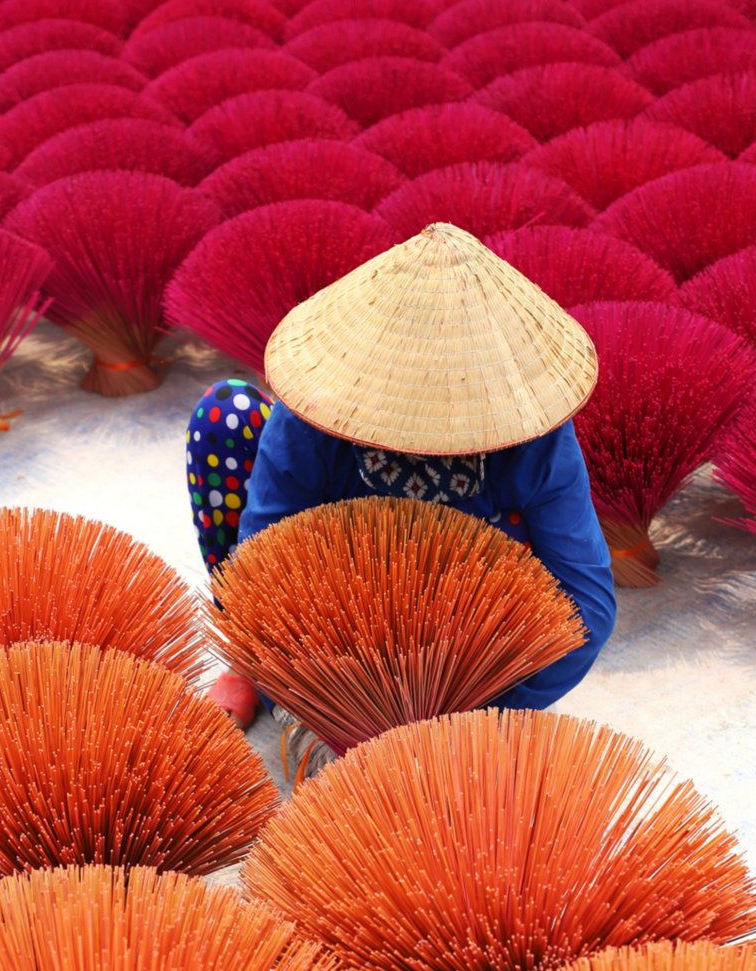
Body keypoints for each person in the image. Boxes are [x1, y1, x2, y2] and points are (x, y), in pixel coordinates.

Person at [185, 221, 616, 731]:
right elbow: (262, 559)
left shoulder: (532, 434)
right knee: (225, 415)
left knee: (528, 554)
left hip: (457, 631)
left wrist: (472, 703)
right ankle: (248, 670)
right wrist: (310, 689)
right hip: (331, 604)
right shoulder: (316, 409)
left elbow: (586, 608)